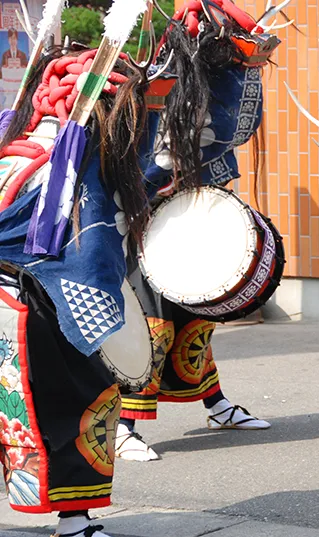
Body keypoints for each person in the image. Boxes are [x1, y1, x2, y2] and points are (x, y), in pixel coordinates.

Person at [114, 0, 277, 462]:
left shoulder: (214, 77)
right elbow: (148, 158)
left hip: (191, 207)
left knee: (196, 315)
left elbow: (227, 133)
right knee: (152, 322)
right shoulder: (162, 80)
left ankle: (215, 403)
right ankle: (124, 424)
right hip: (148, 215)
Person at [0, 45, 152, 537]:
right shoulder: (77, 165)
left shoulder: (11, 142)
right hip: (34, 308)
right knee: (79, 400)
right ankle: (74, 522)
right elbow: (94, 257)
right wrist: (104, 323)